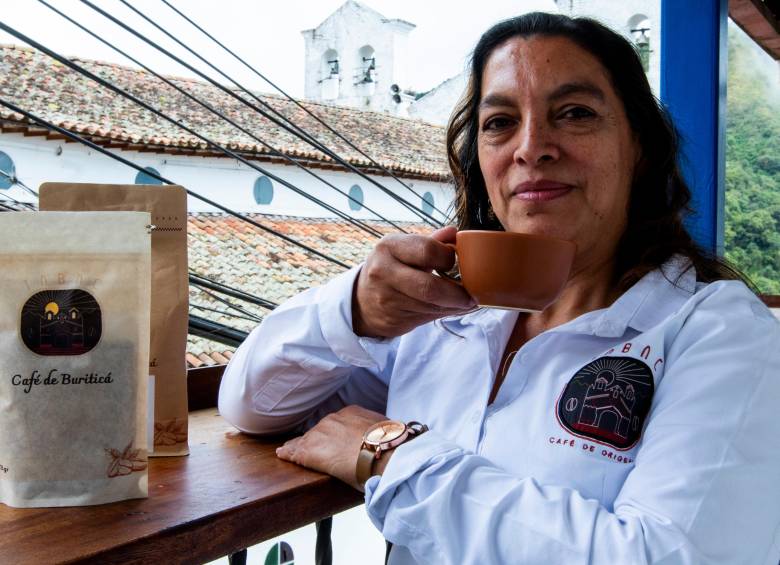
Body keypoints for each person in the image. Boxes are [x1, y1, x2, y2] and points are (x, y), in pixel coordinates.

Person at [218, 12, 780, 565]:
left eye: (575, 113)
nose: (531, 147)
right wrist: (356, 310)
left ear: (638, 146)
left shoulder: (716, 333)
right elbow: (253, 404)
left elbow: (671, 555)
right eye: (499, 122)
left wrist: (394, 456)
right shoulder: (444, 321)